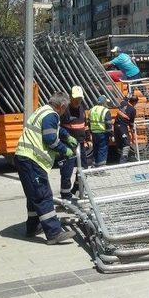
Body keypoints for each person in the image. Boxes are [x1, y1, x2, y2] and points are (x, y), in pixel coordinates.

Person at [14, 92, 75, 245]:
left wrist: (66, 135)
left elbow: (54, 129)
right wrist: (64, 149)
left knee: (33, 195)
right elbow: (49, 139)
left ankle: (32, 227)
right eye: (65, 109)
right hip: (32, 159)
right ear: (61, 106)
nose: (64, 112)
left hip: (25, 157)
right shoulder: (51, 115)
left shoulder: (42, 111)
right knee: (42, 195)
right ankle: (54, 233)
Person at [56, 86, 86, 200]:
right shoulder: (65, 110)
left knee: (83, 169)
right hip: (67, 144)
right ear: (70, 97)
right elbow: (58, 127)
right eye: (75, 99)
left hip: (81, 143)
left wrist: (87, 139)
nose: (77, 101)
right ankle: (65, 195)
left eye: (79, 99)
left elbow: (85, 124)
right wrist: (67, 137)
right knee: (66, 170)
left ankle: (77, 189)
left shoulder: (82, 107)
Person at [89, 95, 112, 167]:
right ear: (104, 102)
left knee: (95, 149)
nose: (107, 104)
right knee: (102, 150)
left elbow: (89, 122)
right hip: (103, 133)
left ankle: (94, 165)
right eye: (106, 102)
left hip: (94, 133)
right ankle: (101, 169)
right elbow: (108, 124)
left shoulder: (91, 110)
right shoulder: (105, 110)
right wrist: (111, 134)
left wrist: (90, 132)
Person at [115, 95, 138, 164]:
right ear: (135, 102)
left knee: (120, 144)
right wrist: (133, 136)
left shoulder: (124, 102)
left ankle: (121, 158)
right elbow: (131, 124)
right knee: (126, 144)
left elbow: (123, 99)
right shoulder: (133, 110)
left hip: (116, 126)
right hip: (122, 126)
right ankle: (123, 161)